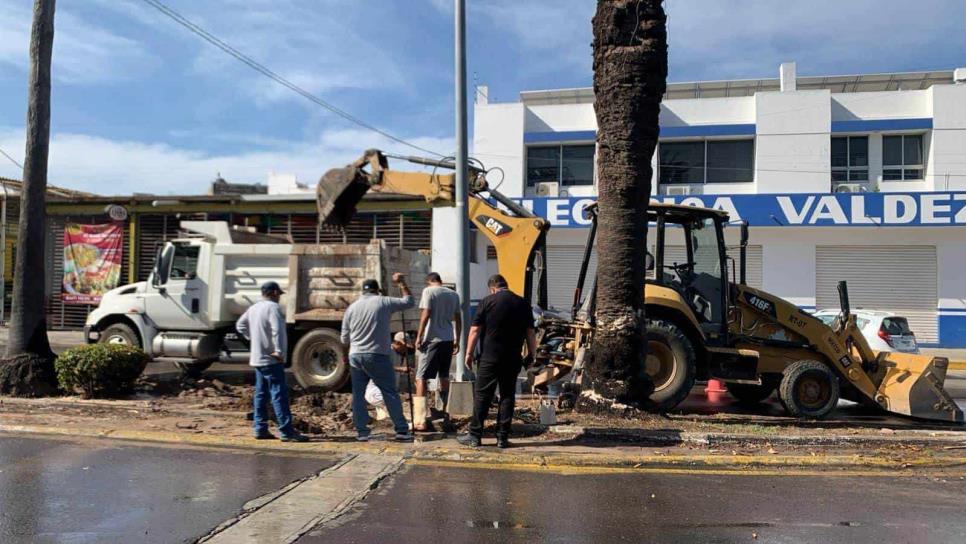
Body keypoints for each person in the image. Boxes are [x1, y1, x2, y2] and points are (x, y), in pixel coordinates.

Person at [457, 274, 536, 449]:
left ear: (492, 288)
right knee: (507, 396)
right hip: (513, 358)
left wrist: (468, 354)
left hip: (489, 358)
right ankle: (502, 438)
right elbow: (531, 333)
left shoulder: (487, 301)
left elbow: (475, 330)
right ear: (505, 285)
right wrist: (532, 354)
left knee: (482, 396)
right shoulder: (523, 303)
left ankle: (475, 436)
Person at [341, 273, 416, 442]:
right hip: (377, 355)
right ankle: (402, 430)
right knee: (389, 392)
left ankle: (361, 432)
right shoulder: (383, 301)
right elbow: (409, 302)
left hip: (355, 356)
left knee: (358, 394)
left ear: (363, 291)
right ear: (377, 291)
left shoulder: (351, 308)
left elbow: (344, 339)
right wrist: (402, 283)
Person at [236, 281, 308, 442]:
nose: (280, 298)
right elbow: (277, 330)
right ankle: (286, 431)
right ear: (274, 293)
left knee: (261, 394)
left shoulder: (254, 308)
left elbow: (240, 326)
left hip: (258, 358)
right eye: (279, 294)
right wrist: (279, 351)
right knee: (278, 394)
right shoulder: (273, 308)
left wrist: (253, 339)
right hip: (271, 358)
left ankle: (260, 428)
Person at [412, 272, 461, 431]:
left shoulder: (429, 291)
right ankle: (443, 412)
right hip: (447, 340)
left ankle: (419, 419)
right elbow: (458, 319)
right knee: (444, 375)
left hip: (432, 340)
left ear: (429, 281)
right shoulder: (454, 294)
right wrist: (457, 340)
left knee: (421, 377)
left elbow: (426, 313)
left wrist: (419, 336)